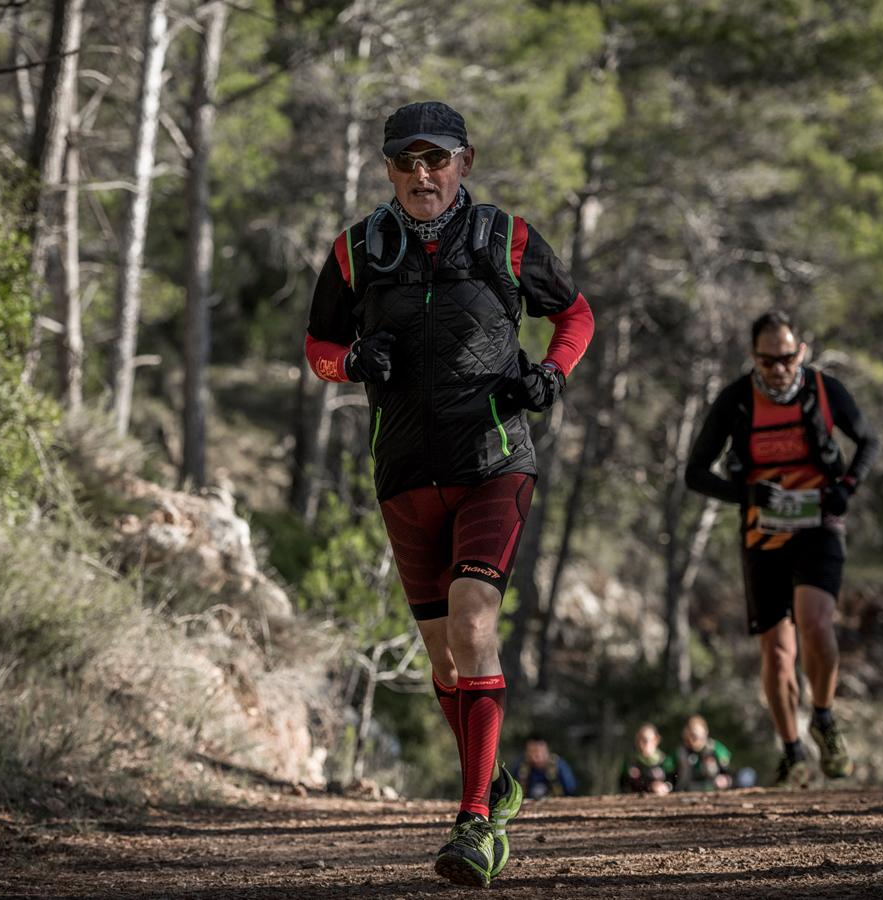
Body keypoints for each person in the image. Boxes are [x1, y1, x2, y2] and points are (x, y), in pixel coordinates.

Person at [305, 101, 594, 887]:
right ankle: (493, 782)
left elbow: (573, 313)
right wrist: (353, 363)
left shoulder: (506, 237)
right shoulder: (357, 249)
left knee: (473, 625)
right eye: (407, 162)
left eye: (437, 160)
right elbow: (318, 347)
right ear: (388, 168)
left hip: (494, 457)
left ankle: (475, 823)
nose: (422, 175)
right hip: (402, 472)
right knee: (442, 660)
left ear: (465, 161)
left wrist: (553, 372)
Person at [685, 311, 879, 788]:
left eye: (786, 358)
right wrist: (747, 495)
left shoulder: (824, 389)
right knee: (776, 652)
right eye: (768, 360)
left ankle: (825, 718)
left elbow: (868, 440)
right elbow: (696, 472)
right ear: (754, 357)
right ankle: (792, 751)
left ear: (802, 352)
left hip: (819, 523)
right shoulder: (735, 401)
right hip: (763, 533)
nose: (778, 369)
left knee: (816, 623)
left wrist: (846, 487)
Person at [675, 715, 733, 792]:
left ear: (706, 733)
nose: (695, 740)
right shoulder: (681, 751)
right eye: (692, 736)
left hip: (713, 787)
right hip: (687, 789)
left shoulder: (714, 748)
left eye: (700, 737)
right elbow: (669, 771)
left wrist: (725, 780)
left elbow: (728, 769)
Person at [513, 733, 577, 799]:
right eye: (531, 751)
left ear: (546, 751)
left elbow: (571, 790)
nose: (536, 756)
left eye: (539, 751)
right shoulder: (520, 768)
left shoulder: (559, 766)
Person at [619, 723, 675, 795]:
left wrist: (666, 786)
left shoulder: (666, 761)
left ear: (656, 740)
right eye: (639, 740)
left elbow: (673, 782)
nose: (641, 744)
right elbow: (623, 785)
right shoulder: (631, 762)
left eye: (646, 740)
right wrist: (649, 786)